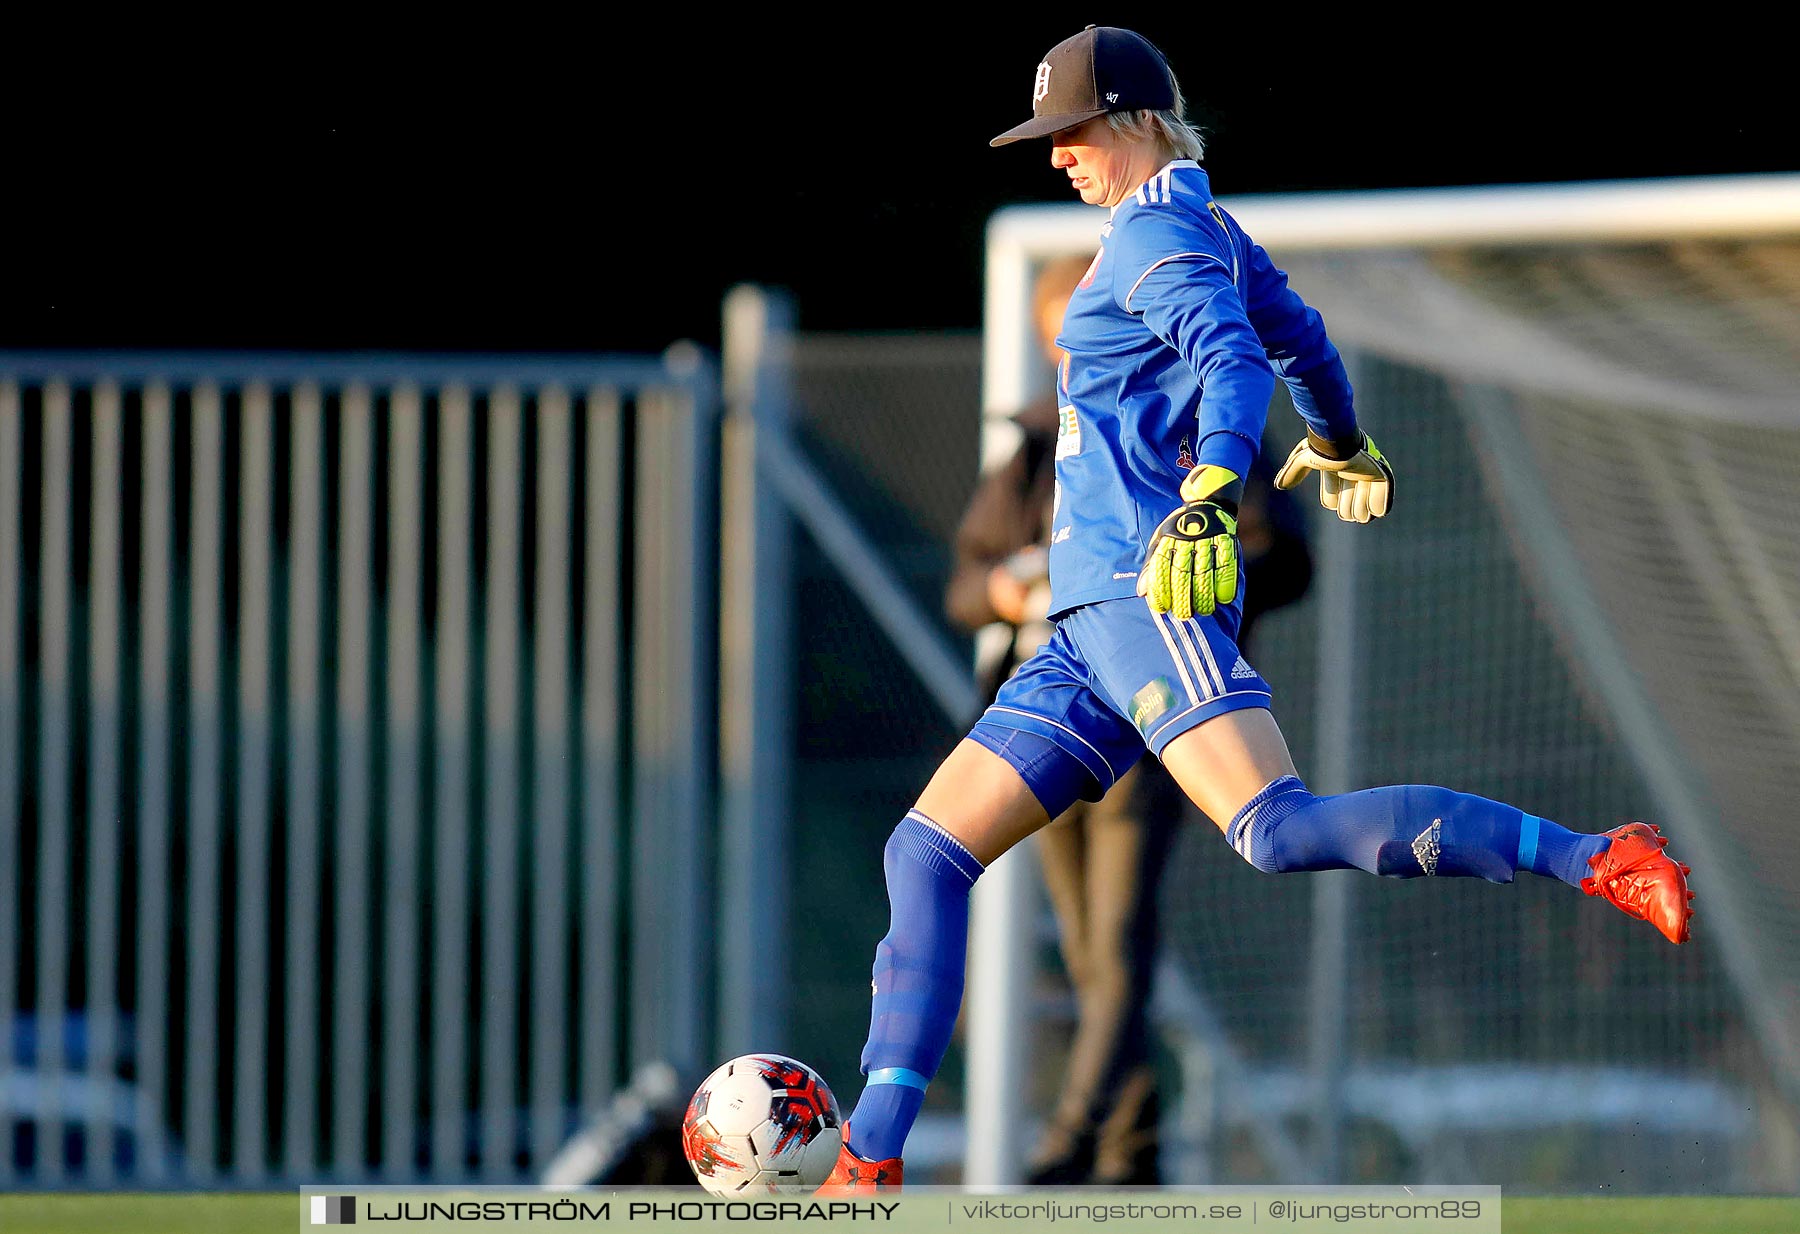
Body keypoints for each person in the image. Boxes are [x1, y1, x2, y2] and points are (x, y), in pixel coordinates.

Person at [820, 26, 1695, 1194]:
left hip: (1146, 597)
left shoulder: (1159, 237)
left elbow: (1234, 363)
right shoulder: (1199, 228)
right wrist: (1339, 439)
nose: (1057, 159)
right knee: (924, 851)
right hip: (1080, 629)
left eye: (1070, 134)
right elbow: (1302, 342)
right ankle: (867, 1165)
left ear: (1132, 120)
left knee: (1275, 832)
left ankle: (1595, 856)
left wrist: (1210, 492)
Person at [944, 255, 1312, 1185]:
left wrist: (1188, 563)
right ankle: (1132, 1152)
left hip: (1153, 720)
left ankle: (1069, 1142)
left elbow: (1285, 557)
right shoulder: (1034, 448)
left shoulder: (1200, 429)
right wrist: (1004, 583)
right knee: (1088, 951)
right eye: (1068, 335)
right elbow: (966, 580)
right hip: (1044, 719)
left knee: (1116, 945)